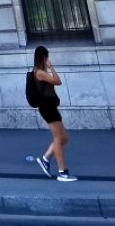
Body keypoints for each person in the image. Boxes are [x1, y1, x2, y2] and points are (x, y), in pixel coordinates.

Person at [29, 45, 76, 181]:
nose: (48, 59)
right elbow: (58, 81)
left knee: (64, 138)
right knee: (58, 138)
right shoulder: (39, 72)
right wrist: (51, 67)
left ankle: (45, 159)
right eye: (47, 57)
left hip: (50, 107)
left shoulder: (39, 72)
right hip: (47, 107)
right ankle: (62, 172)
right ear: (43, 57)